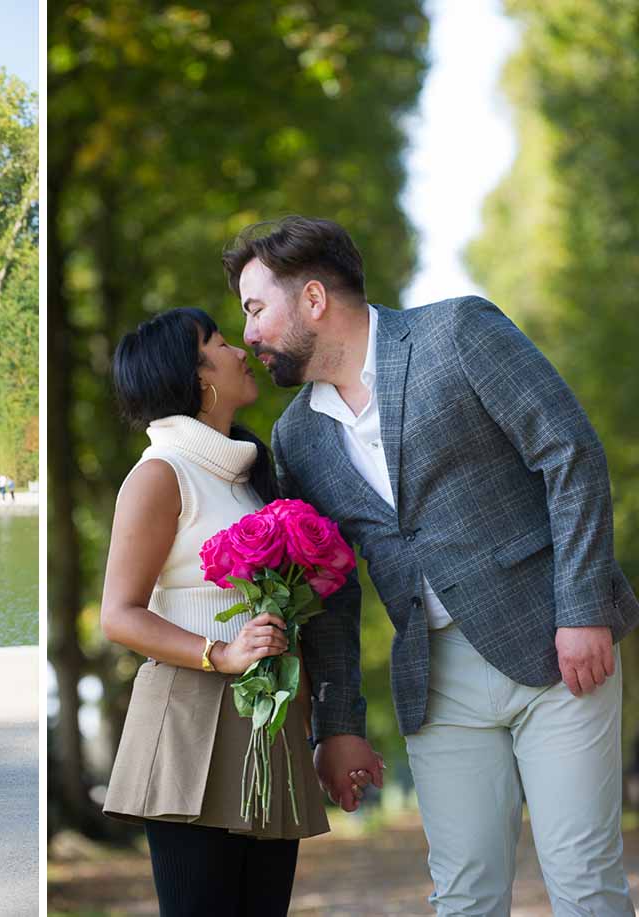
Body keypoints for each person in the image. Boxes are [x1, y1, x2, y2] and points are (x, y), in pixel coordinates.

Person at [224, 215, 639, 915]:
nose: (250, 335)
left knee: (584, 880)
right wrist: (338, 721)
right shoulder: (295, 436)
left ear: (315, 300)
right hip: (435, 683)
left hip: (558, 648)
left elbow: (569, 453)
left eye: (256, 308)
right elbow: (328, 588)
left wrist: (584, 607)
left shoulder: (458, 333)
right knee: (464, 894)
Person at [100, 308, 351, 917]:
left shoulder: (247, 475)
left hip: (267, 720)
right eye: (218, 342)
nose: (240, 350)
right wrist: (221, 653)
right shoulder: (160, 474)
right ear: (196, 377)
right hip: (189, 719)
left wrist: (320, 727)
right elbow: (119, 614)